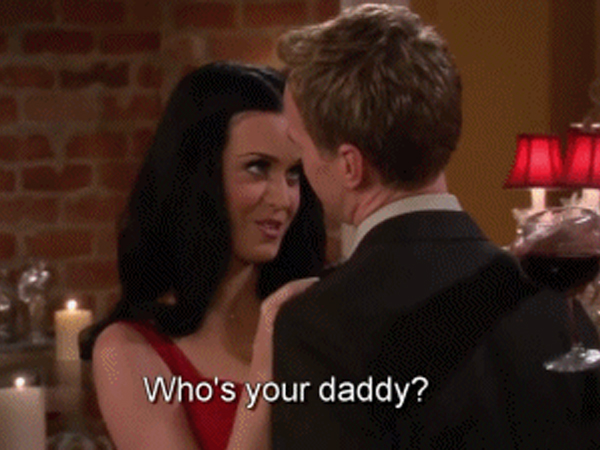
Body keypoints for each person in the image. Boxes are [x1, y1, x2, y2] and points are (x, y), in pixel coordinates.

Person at [273, 5, 600, 449]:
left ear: (350, 166)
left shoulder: (318, 328)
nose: (303, 167)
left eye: (301, 148)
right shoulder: (557, 309)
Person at [81, 61, 326, 450]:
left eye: (293, 173)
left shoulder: (315, 317)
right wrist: (267, 368)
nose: (283, 199)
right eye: (258, 168)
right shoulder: (128, 350)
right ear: (198, 176)